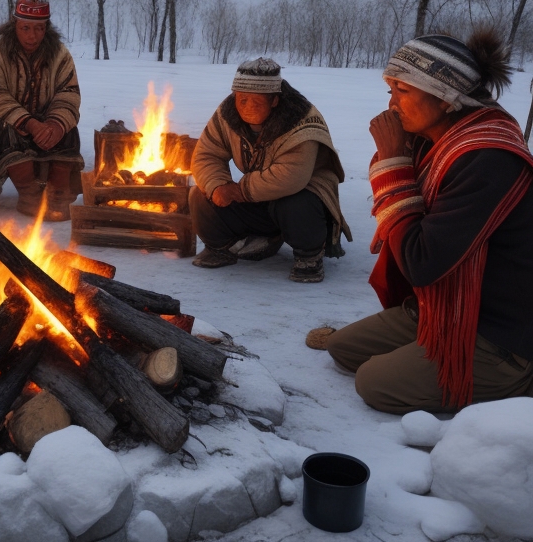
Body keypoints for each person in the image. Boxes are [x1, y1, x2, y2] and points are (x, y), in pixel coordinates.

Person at [326, 30, 533, 414]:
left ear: (445, 96)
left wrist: (392, 163)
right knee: (343, 349)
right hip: (442, 308)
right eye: (390, 90)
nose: (391, 104)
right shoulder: (436, 139)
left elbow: (422, 263)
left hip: (499, 332)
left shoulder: (487, 157)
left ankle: (517, 378)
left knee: (374, 382)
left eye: (402, 90)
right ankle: (426, 333)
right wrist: (397, 157)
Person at [189, 58, 351, 282]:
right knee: (201, 193)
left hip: (303, 197)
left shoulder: (302, 120)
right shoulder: (227, 114)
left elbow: (291, 176)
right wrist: (217, 185)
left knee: (294, 202)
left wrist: (239, 191)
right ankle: (224, 247)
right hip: (258, 194)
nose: (248, 107)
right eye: (242, 100)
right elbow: (207, 154)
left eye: (257, 101)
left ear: (275, 100)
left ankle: (310, 255)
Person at [0, 0, 83, 221]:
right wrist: (29, 122)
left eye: (39, 28)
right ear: (14, 25)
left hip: (46, 119)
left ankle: (58, 193)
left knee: (68, 129)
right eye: (25, 28)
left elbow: (68, 92)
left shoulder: (59, 53)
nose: (32, 36)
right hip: (7, 121)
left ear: (46, 28)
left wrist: (56, 124)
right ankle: (29, 195)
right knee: (6, 132)